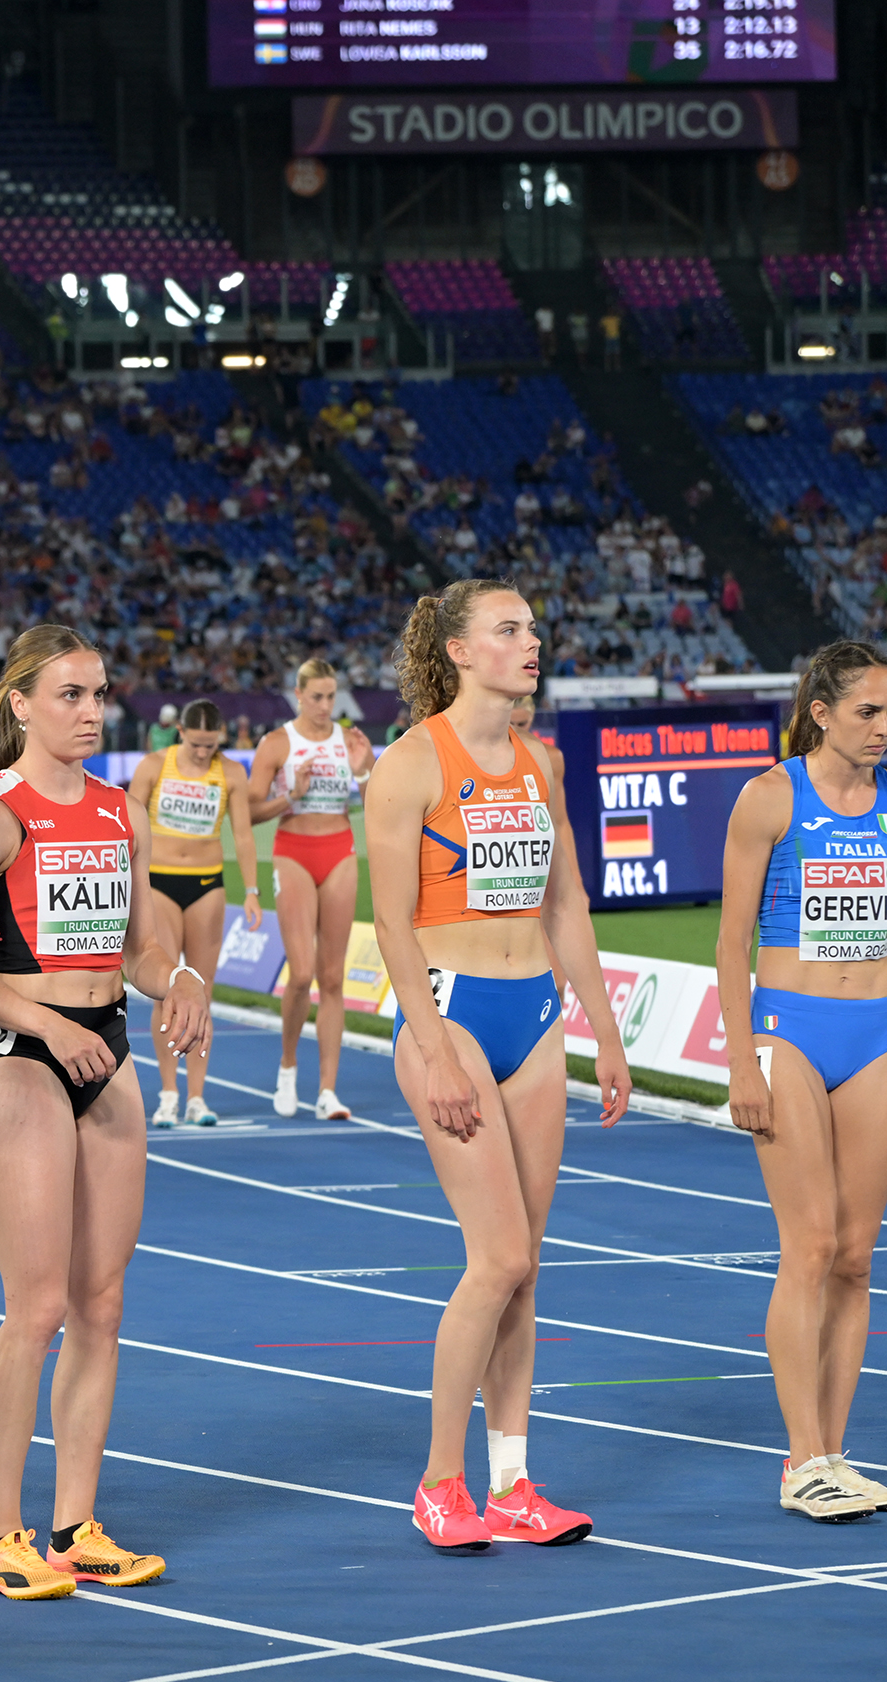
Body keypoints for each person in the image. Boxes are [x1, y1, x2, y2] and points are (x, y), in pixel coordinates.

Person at [0, 626, 209, 1600]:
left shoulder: (117, 808)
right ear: (21, 705)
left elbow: (137, 948)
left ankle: (75, 1526)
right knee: (38, 1305)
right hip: (20, 1057)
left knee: (102, 1303)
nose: (93, 712)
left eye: (99, 694)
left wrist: (181, 977)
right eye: (71, 695)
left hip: (109, 1049)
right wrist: (43, 1022)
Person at [365, 580, 628, 1554]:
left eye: (532, 628)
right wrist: (433, 1047)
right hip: (453, 1016)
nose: (531, 642)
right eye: (509, 629)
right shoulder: (409, 765)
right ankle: (440, 1481)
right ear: (460, 651)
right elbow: (390, 922)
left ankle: (513, 1483)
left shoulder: (539, 761)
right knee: (499, 1258)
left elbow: (567, 905)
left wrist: (604, 1029)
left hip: (536, 1019)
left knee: (527, 1269)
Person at [718, 640, 887, 1523]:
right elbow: (731, 942)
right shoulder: (769, 798)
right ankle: (801, 1463)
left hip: (873, 1036)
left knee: (857, 1259)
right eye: (868, 711)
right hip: (788, 1032)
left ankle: (833, 1454)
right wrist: (739, 1056)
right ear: (820, 712)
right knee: (811, 1246)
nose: (886, 726)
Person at [247, 658, 374, 1119]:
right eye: (316, 697)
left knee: (333, 977)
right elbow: (249, 811)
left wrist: (363, 772)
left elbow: (380, 806)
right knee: (301, 974)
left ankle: (327, 1091)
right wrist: (292, 796)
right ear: (298, 695)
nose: (325, 705)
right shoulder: (278, 743)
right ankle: (287, 1066)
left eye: (331, 696)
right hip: (293, 851)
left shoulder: (351, 741)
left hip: (339, 849)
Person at [127, 695, 258, 1126]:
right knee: (166, 989)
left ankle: (197, 1097)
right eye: (196, 744)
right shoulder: (154, 766)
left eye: (211, 745)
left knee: (202, 992)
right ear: (180, 732)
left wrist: (252, 890)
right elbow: (125, 826)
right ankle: (168, 1092)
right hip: (159, 884)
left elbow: (243, 835)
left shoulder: (231, 772)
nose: (203, 753)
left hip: (207, 885)